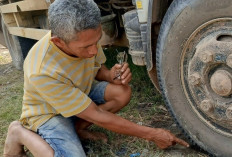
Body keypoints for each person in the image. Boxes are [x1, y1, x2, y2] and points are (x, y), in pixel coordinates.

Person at [3, 0, 189, 156]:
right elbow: (97, 115)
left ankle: (77, 128)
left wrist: (110, 75)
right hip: (48, 113)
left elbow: (97, 68)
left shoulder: (86, 35)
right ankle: (18, 132)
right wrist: (153, 134)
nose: (93, 51)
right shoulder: (42, 70)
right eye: (86, 47)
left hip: (78, 94)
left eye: (97, 41)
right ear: (58, 42)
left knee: (121, 92)